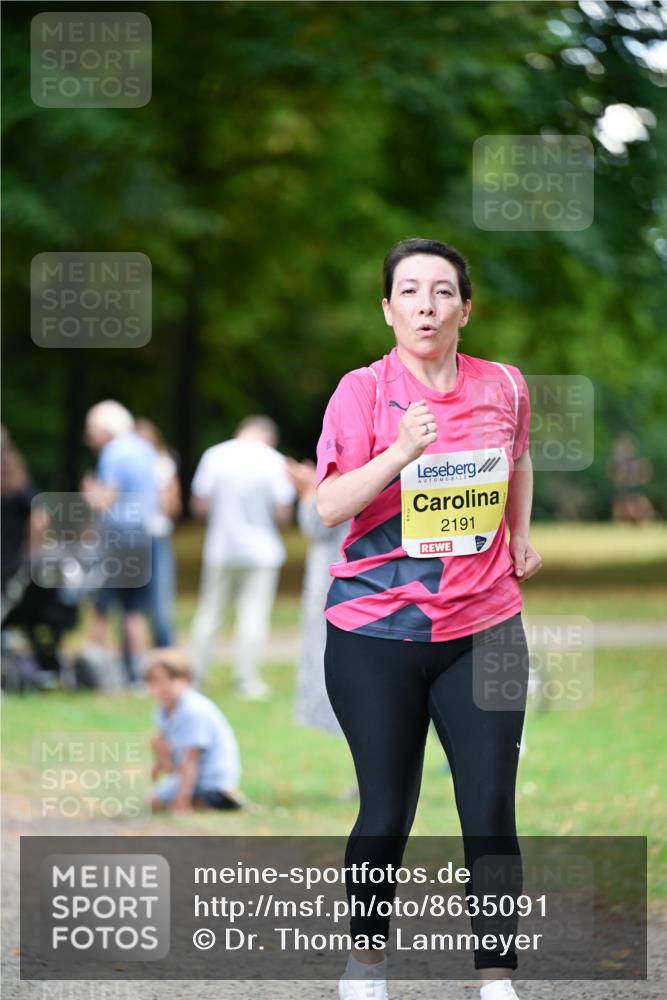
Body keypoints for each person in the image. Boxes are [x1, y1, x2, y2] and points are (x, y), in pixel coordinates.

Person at [315, 238, 542, 1000]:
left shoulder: (504, 385)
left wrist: (519, 533)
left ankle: (496, 981)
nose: (424, 304)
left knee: (488, 807)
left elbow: (519, 457)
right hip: (374, 632)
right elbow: (327, 506)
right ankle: (367, 964)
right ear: (387, 310)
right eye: (408, 291)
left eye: (441, 291)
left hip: (483, 627)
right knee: (385, 811)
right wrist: (401, 453)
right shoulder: (361, 391)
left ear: (464, 309)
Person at [189, 415, 297, 697]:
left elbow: (199, 503)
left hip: (221, 548)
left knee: (210, 612)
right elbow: (283, 511)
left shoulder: (215, 455)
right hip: (261, 549)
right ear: (269, 437)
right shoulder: (273, 461)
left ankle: (196, 674)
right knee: (254, 614)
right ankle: (246, 679)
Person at [82, 401, 159, 686]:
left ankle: (95, 672)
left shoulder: (114, 453)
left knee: (101, 604)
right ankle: (141, 676)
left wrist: (89, 493)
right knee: (134, 608)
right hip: (142, 534)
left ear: (106, 428)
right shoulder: (143, 448)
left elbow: (106, 500)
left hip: (117, 537)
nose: (89, 438)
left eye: (92, 431)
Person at [145, 646, 244, 813]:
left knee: (154, 803)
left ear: (186, 680)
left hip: (209, 775)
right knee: (148, 799)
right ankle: (203, 798)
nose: (163, 687)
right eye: (155, 682)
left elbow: (192, 759)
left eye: (170, 680)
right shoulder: (164, 710)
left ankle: (214, 797)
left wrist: (182, 801)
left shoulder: (193, 711)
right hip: (186, 771)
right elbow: (163, 744)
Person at [135, 418, 182, 647]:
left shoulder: (162, 464)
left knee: (155, 600)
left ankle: (163, 649)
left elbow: (172, 505)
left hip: (152, 535)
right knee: (140, 602)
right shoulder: (159, 463)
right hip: (146, 536)